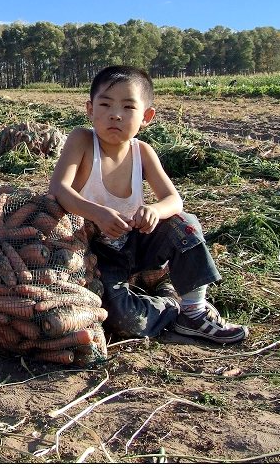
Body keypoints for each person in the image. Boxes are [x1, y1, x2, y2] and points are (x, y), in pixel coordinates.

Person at [48, 65, 247, 344]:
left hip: (136, 243)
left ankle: (195, 311)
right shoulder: (82, 140)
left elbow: (174, 200)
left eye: (128, 107)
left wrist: (154, 210)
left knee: (184, 224)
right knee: (122, 319)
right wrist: (96, 213)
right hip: (96, 254)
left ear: (146, 117)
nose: (115, 114)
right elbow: (59, 188)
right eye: (105, 104)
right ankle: (172, 307)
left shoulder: (143, 152)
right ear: (90, 109)